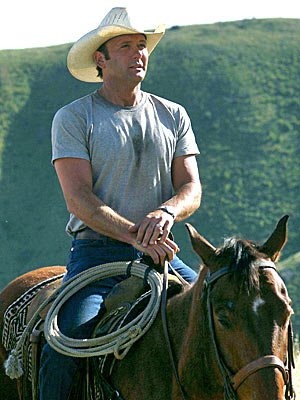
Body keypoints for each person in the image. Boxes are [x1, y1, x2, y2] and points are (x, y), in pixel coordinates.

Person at [39, 6, 201, 399]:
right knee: (66, 346)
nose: (138, 54)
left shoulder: (173, 114)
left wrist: (166, 212)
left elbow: (191, 188)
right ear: (101, 59)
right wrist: (134, 235)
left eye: (142, 46)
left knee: (218, 316)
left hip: (162, 252)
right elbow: (79, 199)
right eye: (125, 46)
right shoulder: (75, 117)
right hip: (97, 255)